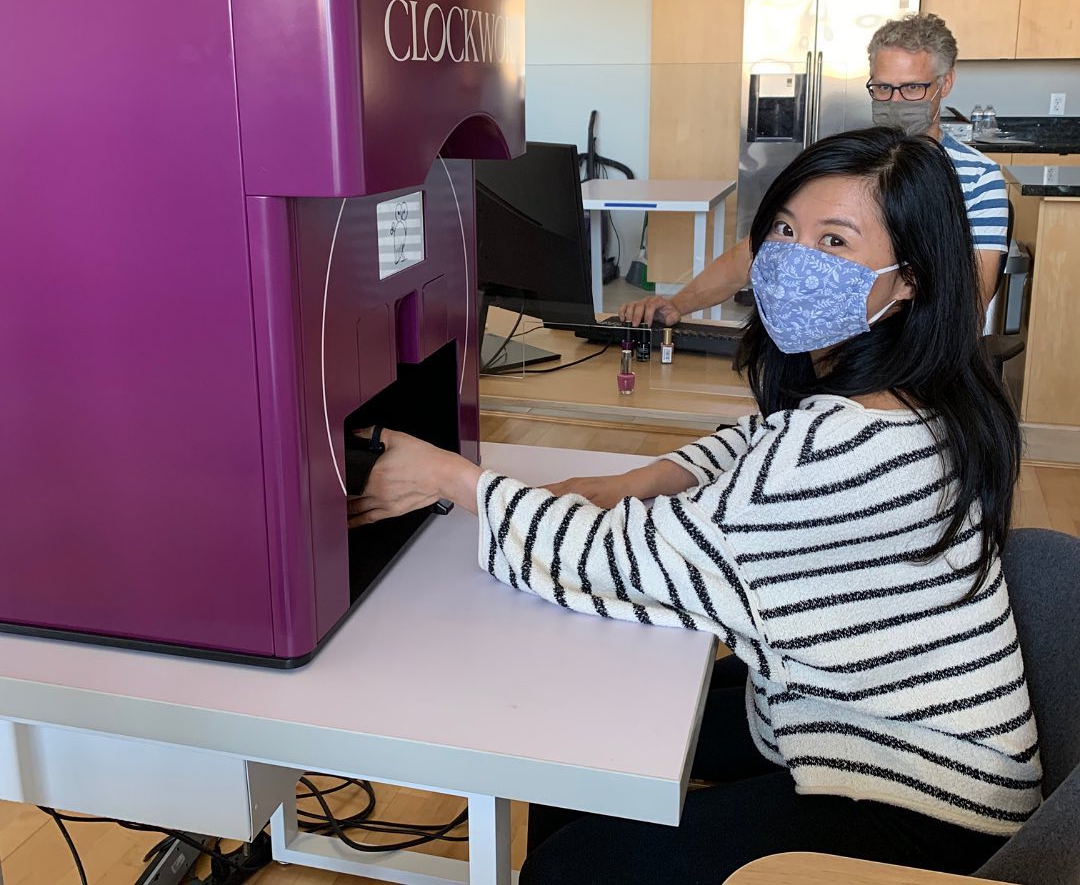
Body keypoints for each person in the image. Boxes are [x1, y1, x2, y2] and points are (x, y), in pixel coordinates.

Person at [350, 127, 1038, 884]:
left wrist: (452, 481)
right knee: (581, 752)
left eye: (834, 241)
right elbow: (760, 443)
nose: (792, 259)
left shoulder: (843, 442)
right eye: (784, 229)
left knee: (568, 865)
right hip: (864, 717)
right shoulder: (919, 389)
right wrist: (638, 480)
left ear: (910, 278)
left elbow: (631, 562)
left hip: (920, 793)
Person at [620, 12, 1009, 327]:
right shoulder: (843, 165)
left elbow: (969, 303)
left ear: (946, 83)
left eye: (912, 89)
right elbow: (758, 253)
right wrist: (678, 304)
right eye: (883, 88)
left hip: (910, 359)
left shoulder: (978, 179)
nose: (895, 101)